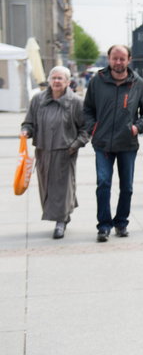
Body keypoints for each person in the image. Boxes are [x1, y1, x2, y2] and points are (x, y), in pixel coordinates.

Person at [83, 45, 143, 242]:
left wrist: (137, 127)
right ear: (108, 58)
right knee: (104, 183)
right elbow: (87, 109)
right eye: (115, 58)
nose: (118, 62)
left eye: (122, 59)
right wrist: (92, 129)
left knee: (127, 186)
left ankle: (121, 222)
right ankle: (104, 226)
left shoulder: (137, 83)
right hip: (102, 143)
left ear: (129, 60)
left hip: (127, 143)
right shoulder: (97, 81)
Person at [21, 66, 90, 239]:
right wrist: (26, 131)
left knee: (63, 187)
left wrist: (75, 145)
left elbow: (86, 128)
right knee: (48, 188)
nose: (56, 81)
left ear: (68, 82)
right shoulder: (37, 100)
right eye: (54, 78)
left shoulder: (75, 102)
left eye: (60, 78)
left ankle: (61, 221)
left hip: (65, 151)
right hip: (43, 151)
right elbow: (28, 122)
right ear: (49, 80)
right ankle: (64, 212)